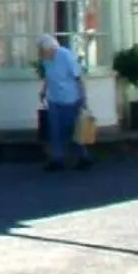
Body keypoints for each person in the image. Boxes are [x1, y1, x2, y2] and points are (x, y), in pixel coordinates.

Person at [37, 33, 92, 171]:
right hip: (54, 98)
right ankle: (57, 160)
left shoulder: (66, 56)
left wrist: (83, 99)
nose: (41, 54)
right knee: (55, 130)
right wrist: (44, 90)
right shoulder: (46, 59)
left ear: (51, 49)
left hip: (70, 99)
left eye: (42, 50)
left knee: (73, 130)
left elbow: (78, 77)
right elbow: (49, 76)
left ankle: (83, 157)